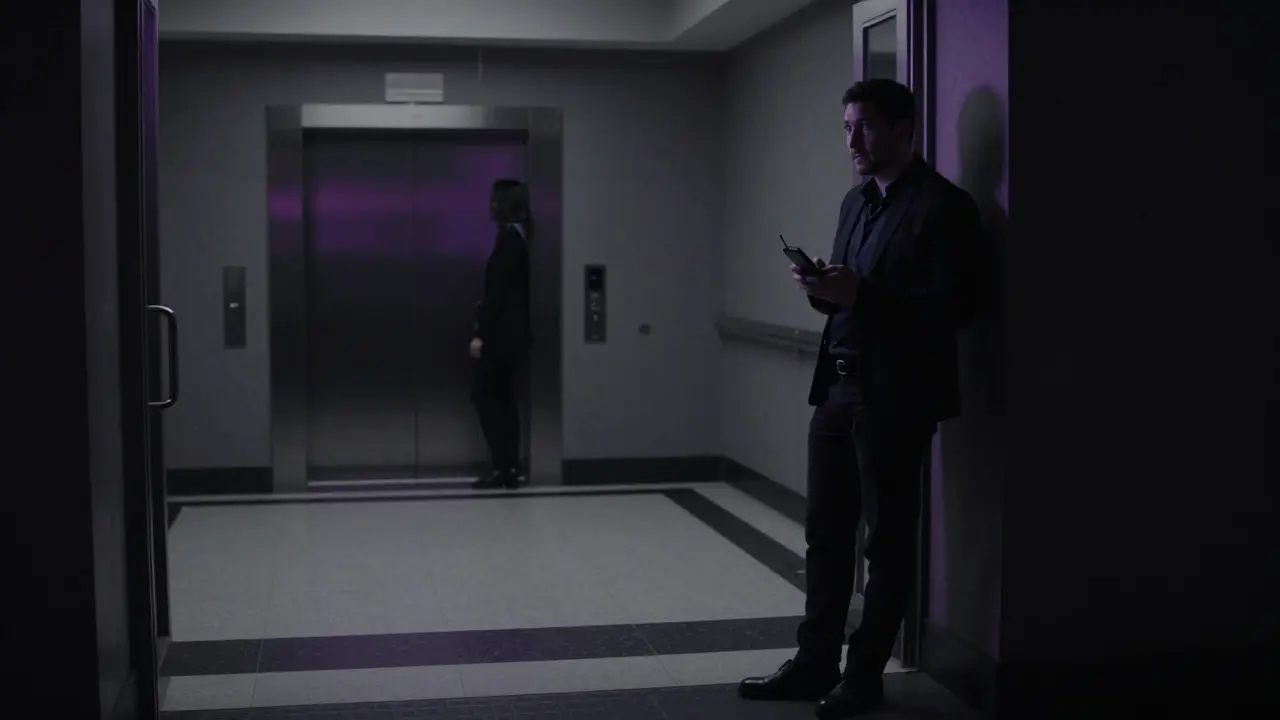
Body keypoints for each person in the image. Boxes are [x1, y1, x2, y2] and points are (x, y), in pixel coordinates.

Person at [738, 79, 980, 718]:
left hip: (897, 396)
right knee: (825, 534)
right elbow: (853, 294)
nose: (852, 139)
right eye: (847, 126)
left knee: (888, 541)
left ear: (905, 129)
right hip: (838, 388)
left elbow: (959, 308)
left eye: (866, 126)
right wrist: (822, 288)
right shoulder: (855, 203)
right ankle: (815, 661)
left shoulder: (943, 206)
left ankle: (864, 671)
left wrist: (861, 297)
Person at [469, 179, 533, 490]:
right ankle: (508, 469)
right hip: (516, 337)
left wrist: (481, 331)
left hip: (502, 337)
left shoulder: (510, 242)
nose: (490, 205)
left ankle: (503, 467)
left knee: (485, 396)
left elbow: (499, 294)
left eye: (495, 200)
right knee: (505, 400)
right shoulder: (522, 237)